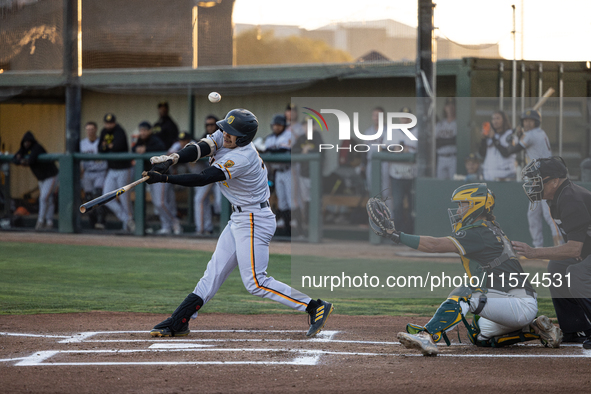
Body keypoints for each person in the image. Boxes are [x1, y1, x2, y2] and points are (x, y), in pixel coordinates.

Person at [144, 108, 334, 338]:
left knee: (255, 282)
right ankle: (179, 320)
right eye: (225, 129)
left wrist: (165, 178)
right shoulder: (226, 137)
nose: (224, 134)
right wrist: (173, 159)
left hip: (255, 219)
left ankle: (315, 306)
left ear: (242, 137)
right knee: (212, 274)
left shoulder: (243, 156)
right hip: (240, 217)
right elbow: (202, 147)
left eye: (231, 132)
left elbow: (204, 178)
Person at [370, 183, 562, 355]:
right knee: (479, 335)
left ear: (476, 205)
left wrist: (396, 235)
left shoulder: (479, 232)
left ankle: (428, 335)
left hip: (517, 303)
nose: (459, 209)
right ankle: (534, 329)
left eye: (463, 204)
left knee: (466, 292)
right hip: (517, 302)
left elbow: (434, 246)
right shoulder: (489, 228)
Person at [513, 157, 591, 348]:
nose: (533, 185)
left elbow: (574, 248)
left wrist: (533, 252)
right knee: (557, 267)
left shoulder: (570, 198)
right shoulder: (557, 197)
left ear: (555, 181)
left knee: (577, 274)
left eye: (538, 180)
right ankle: (576, 328)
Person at [493, 109, 561, 247]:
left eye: (530, 121)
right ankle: (538, 248)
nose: (527, 123)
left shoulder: (531, 135)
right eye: (525, 121)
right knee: (533, 215)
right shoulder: (539, 133)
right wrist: (517, 136)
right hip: (539, 179)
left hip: (545, 179)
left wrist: (508, 141)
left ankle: (559, 248)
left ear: (536, 122)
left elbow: (510, 151)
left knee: (549, 216)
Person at [133, 121, 180, 235]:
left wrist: (146, 150)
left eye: (145, 130)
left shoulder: (155, 139)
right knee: (157, 203)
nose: (142, 132)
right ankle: (166, 226)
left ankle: (175, 222)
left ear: (150, 131)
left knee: (161, 203)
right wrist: (137, 150)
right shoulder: (140, 141)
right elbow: (134, 150)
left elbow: (161, 149)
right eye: (141, 130)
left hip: (161, 175)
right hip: (150, 176)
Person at [12, 131, 58, 230]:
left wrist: (23, 161)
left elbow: (31, 160)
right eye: (25, 142)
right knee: (48, 199)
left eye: (28, 141)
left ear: (32, 141)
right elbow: (15, 158)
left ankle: (40, 221)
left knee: (43, 198)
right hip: (41, 178)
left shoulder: (37, 147)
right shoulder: (24, 149)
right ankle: (49, 222)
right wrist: (20, 160)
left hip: (51, 175)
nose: (26, 143)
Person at [98, 113, 135, 232]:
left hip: (124, 169)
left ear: (114, 122)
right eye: (107, 123)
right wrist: (108, 146)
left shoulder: (119, 131)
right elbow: (100, 149)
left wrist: (107, 146)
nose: (108, 125)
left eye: (110, 123)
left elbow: (117, 147)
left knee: (124, 198)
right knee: (106, 197)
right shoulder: (103, 131)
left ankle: (128, 225)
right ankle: (127, 220)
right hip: (112, 169)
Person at [292, 115, 324, 236]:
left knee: (315, 202)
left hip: (315, 175)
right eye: (305, 125)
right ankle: (307, 229)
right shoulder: (301, 138)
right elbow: (293, 150)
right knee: (305, 202)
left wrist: (308, 150)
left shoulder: (316, 136)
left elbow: (321, 149)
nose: (307, 127)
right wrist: (302, 150)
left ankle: (315, 230)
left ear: (314, 127)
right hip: (303, 175)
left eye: (309, 125)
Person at [388, 107, 417, 233]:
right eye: (403, 117)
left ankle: (411, 233)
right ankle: (398, 233)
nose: (405, 119)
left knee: (413, 207)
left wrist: (408, 151)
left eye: (408, 117)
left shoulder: (418, 131)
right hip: (397, 174)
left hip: (413, 175)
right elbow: (382, 149)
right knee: (398, 205)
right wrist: (395, 149)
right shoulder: (393, 131)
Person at [265, 113, 292, 234]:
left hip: (289, 170)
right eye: (275, 125)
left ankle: (296, 229)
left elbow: (284, 149)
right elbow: (266, 150)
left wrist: (272, 149)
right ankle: (287, 228)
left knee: (291, 200)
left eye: (279, 125)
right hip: (277, 172)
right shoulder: (270, 138)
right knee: (282, 201)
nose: (276, 127)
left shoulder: (288, 135)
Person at [80, 121, 107, 230]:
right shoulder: (82, 143)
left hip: (100, 171)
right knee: (88, 198)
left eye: (92, 129)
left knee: (98, 195)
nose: (90, 131)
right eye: (88, 129)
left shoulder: (102, 142)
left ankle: (101, 221)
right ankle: (92, 222)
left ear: (96, 130)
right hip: (87, 172)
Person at [479, 110, 516, 181]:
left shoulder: (510, 134)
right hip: (489, 175)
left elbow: (506, 153)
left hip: (505, 175)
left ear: (504, 120)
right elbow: (482, 154)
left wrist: (494, 139)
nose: (495, 121)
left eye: (498, 118)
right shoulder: (489, 135)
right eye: (493, 119)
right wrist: (483, 139)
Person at [435, 98, 457, 180]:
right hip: (441, 157)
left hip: (453, 157)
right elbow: (435, 142)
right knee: (440, 183)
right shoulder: (440, 124)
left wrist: (443, 141)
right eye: (448, 105)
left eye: (452, 105)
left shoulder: (458, 123)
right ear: (445, 108)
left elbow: (457, 141)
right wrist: (450, 140)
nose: (450, 108)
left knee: (453, 183)